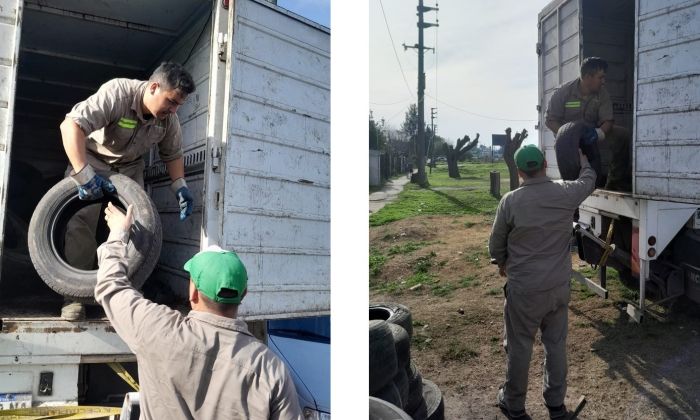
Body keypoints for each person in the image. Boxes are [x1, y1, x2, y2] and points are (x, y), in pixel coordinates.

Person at [96, 202, 303, 420]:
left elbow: (111, 285)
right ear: (243, 295)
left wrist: (119, 234)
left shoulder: (158, 329)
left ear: (193, 292)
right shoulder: (270, 369)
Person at [59, 62, 196, 320]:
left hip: (130, 168)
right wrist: (83, 174)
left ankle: (124, 294)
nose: (174, 109)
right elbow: (70, 126)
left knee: (136, 227)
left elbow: (173, 154)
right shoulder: (118, 93)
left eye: (179, 105)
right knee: (82, 223)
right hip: (93, 159)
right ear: (153, 87)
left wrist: (181, 186)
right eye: (171, 101)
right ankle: (73, 297)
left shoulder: (168, 120)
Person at [488, 145, 595, 420]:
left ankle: (513, 405)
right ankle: (556, 405)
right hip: (558, 287)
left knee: (520, 346)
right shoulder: (565, 192)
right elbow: (589, 181)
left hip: (524, 290)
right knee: (556, 345)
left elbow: (496, 243)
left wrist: (502, 263)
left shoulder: (510, 201)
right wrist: (584, 161)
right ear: (546, 164)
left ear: (520, 172)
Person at [545, 56, 632, 191]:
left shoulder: (602, 94)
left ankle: (615, 182)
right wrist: (568, 135)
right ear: (588, 77)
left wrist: (598, 133)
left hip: (592, 132)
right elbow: (550, 120)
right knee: (565, 149)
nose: (604, 81)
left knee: (623, 135)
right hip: (568, 137)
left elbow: (607, 120)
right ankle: (572, 186)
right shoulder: (563, 92)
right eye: (600, 77)